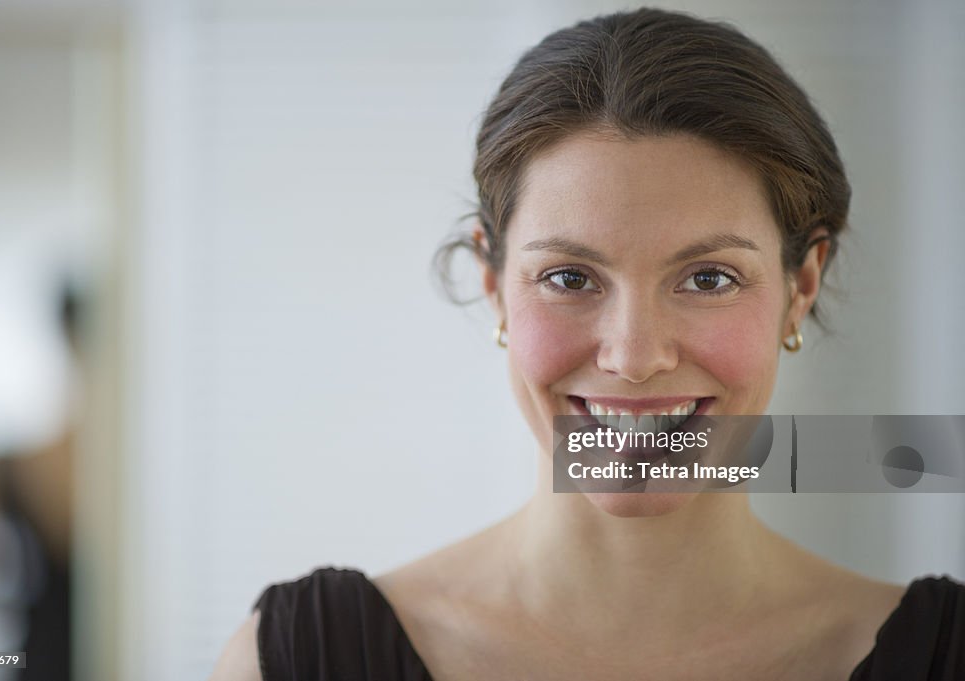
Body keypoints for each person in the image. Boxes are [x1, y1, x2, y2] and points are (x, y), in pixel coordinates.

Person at [210, 8, 964, 680]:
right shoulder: (296, 660)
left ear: (801, 285)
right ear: (494, 280)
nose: (634, 356)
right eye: (570, 277)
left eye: (708, 278)